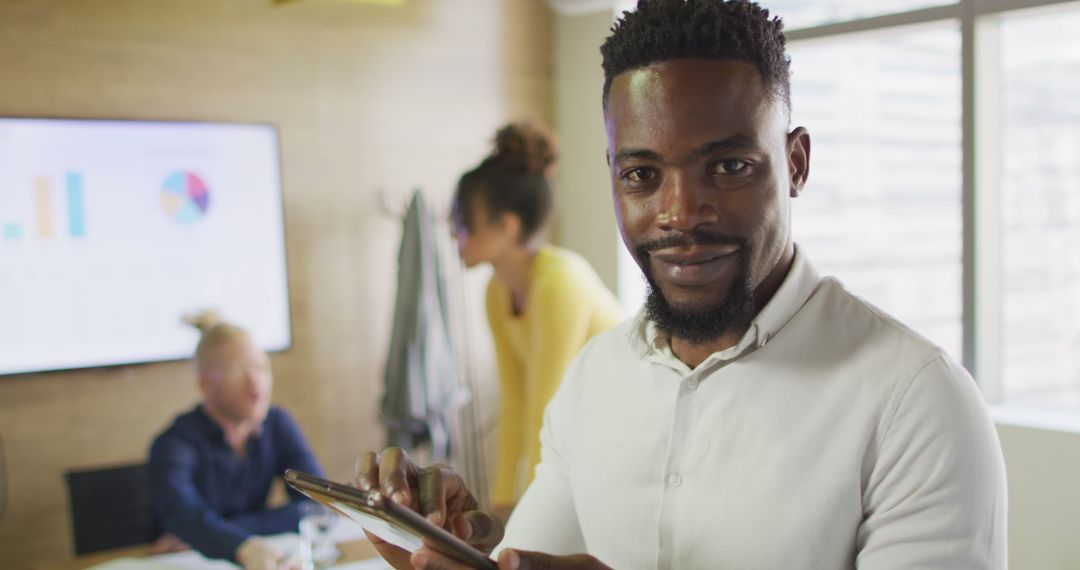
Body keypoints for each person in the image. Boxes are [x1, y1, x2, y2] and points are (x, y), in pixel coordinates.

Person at [356, 1, 1008, 568]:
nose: (679, 213)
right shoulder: (593, 382)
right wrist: (449, 550)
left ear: (796, 163)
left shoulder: (916, 405)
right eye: (642, 175)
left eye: (727, 166)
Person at [451, 121, 623, 517]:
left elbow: (545, 407)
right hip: (583, 433)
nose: (455, 235)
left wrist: (527, 514)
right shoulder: (496, 293)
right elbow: (514, 401)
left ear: (507, 227)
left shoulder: (560, 281)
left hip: (624, 428)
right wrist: (499, 505)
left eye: (462, 221)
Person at [148, 311, 324, 570]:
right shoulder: (174, 442)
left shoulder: (276, 423)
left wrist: (227, 534)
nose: (256, 382)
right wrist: (240, 543)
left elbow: (315, 504)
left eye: (262, 368)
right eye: (238, 370)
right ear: (205, 385)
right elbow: (181, 515)